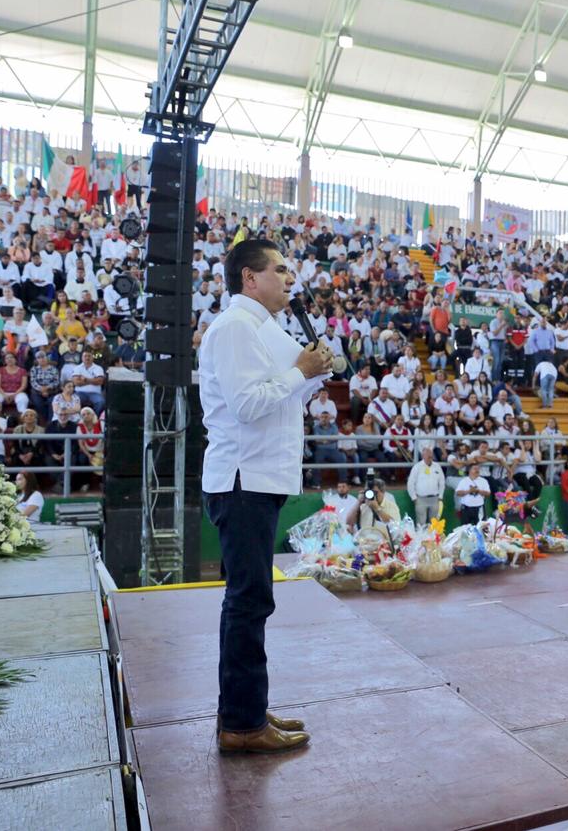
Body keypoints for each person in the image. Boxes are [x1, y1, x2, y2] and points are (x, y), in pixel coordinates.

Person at [199, 239, 332, 755]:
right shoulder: (234, 329)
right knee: (248, 601)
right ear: (250, 279)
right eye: (280, 270)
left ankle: (248, 710)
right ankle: (241, 723)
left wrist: (313, 373)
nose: (289, 278)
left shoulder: (266, 328)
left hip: (261, 477)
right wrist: (300, 371)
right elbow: (249, 404)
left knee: (253, 601)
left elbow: (283, 395)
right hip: (243, 478)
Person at [406, 446, 446, 524]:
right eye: (427, 455)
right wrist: (414, 498)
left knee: (434, 524)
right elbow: (410, 483)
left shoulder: (437, 466)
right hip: (420, 499)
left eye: (430, 455)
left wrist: (440, 496)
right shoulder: (417, 467)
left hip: (435, 499)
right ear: (422, 456)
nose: (429, 456)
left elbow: (442, 482)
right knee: (421, 523)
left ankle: (433, 537)